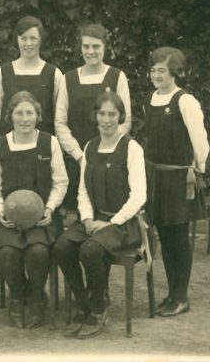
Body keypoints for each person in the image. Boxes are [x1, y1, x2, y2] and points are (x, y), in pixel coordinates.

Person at [53, 91, 146, 339]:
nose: (106, 120)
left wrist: (110, 222)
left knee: (90, 250)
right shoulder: (90, 147)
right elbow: (83, 189)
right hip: (92, 219)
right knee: (62, 246)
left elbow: (138, 197)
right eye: (102, 114)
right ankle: (83, 304)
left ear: (121, 117)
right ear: (95, 116)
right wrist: (86, 219)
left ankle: (97, 307)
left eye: (112, 114)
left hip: (123, 224)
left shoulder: (131, 148)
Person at [0, 91, 68, 329]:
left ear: (38, 116)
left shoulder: (49, 142)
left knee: (38, 252)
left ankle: (37, 296)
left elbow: (60, 181)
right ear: (10, 117)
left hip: (42, 219)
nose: (24, 118)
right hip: (9, 219)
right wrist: (0, 211)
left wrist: (50, 208)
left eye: (29, 112)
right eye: (19, 113)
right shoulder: (0, 146)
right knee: (8, 253)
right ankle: (17, 296)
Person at [144, 47, 209, 317]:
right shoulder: (150, 100)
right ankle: (171, 295)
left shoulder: (185, 101)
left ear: (174, 72)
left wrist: (196, 170)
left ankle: (180, 296)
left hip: (180, 179)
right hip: (157, 178)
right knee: (166, 238)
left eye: (162, 70)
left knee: (178, 239)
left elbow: (200, 142)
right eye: (153, 70)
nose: (157, 75)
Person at [55, 24, 132, 210]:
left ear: (105, 47)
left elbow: (125, 119)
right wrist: (80, 156)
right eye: (86, 46)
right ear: (80, 48)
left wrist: (106, 150)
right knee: (80, 214)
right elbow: (60, 122)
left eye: (96, 46)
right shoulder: (68, 78)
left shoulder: (117, 77)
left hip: (110, 160)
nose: (91, 51)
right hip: (78, 161)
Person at [0, 15, 63, 136]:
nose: (28, 43)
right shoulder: (3, 72)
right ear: (17, 40)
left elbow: (59, 115)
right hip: (10, 145)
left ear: (41, 39)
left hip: (43, 145)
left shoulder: (54, 74)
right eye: (23, 38)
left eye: (33, 38)